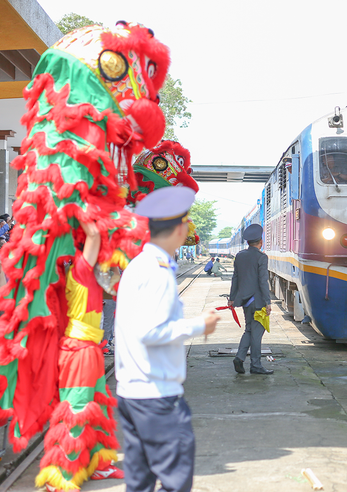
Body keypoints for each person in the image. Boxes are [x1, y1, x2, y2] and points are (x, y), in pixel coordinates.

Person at [114, 186, 220, 492]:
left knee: (140, 481)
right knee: (175, 480)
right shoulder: (157, 272)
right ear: (179, 228)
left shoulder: (138, 266)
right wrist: (200, 326)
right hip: (156, 396)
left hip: (133, 392)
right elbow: (151, 331)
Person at [35, 220, 124, 491]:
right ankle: (61, 473)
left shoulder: (92, 273)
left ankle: (98, 463)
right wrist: (83, 202)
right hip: (78, 352)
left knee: (98, 405)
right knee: (76, 410)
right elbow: (95, 233)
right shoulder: (82, 269)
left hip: (90, 348)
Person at [228, 223, 273, 375]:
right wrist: (268, 302)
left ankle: (240, 358)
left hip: (245, 301)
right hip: (258, 301)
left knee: (248, 329)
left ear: (247, 242)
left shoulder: (240, 256)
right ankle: (256, 365)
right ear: (261, 242)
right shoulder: (261, 257)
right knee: (257, 333)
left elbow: (235, 278)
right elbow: (263, 281)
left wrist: (232, 298)